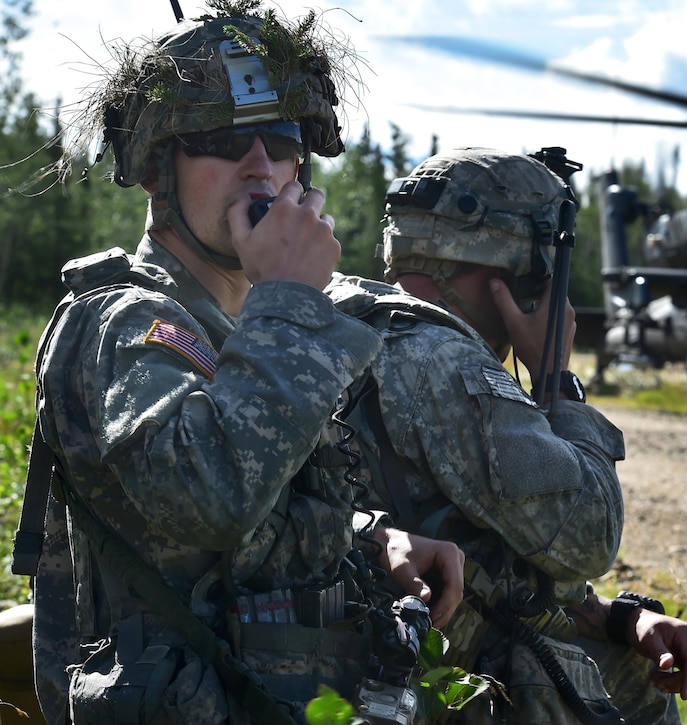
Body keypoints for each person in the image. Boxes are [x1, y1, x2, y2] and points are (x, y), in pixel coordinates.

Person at [20, 6, 463, 724]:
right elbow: (208, 496)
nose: (259, 165)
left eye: (281, 139)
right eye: (222, 141)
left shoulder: (242, 328)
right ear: (157, 169)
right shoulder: (119, 322)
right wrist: (289, 297)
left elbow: (255, 522)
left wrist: (371, 537)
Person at [327, 146, 687, 724]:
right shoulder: (444, 360)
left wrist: (624, 618)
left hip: (396, 642)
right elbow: (588, 536)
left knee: (623, 663)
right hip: (429, 674)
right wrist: (556, 380)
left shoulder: (355, 321)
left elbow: (491, 548)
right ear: (510, 278)